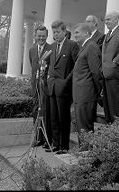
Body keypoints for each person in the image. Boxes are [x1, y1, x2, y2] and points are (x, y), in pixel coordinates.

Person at [46, 20, 79, 154]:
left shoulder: (72, 45)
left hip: (64, 88)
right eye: (54, 32)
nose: (56, 34)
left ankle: (64, 146)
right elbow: (49, 65)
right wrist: (49, 78)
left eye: (58, 32)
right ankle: (55, 144)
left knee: (63, 118)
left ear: (64, 31)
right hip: (52, 87)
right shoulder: (52, 46)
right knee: (53, 117)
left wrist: (67, 81)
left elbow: (77, 66)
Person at [72, 23, 103, 146]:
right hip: (81, 94)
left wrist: (99, 92)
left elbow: (96, 72)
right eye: (74, 32)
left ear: (86, 33)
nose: (75, 35)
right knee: (82, 126)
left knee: (85, 127)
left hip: (86, 95)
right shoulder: (85, 47)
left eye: (77, 32)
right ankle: (84, 152)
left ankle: (86, 154)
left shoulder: (91, 47)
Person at [102, 11, 119, 123]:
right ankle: (109, 126)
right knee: (106, 104)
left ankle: (115, 128)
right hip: (105, 73)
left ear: (116, 20)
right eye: (105, 20)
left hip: (115, 73)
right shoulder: (107, 35)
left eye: (108, 19)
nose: (106, 22)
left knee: (114, 104)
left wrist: (115, 61)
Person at [29, 25, 52, 148]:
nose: (41, 38)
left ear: (47, 36)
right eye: (39, 36)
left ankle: (45, 139)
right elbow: (33, 67)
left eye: (43, 36)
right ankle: (36, 138)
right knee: (35, 112)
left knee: (45, 112)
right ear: (35, 36)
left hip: (46, 88)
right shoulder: (32, 50)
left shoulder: (51, 49)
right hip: (35, 87)